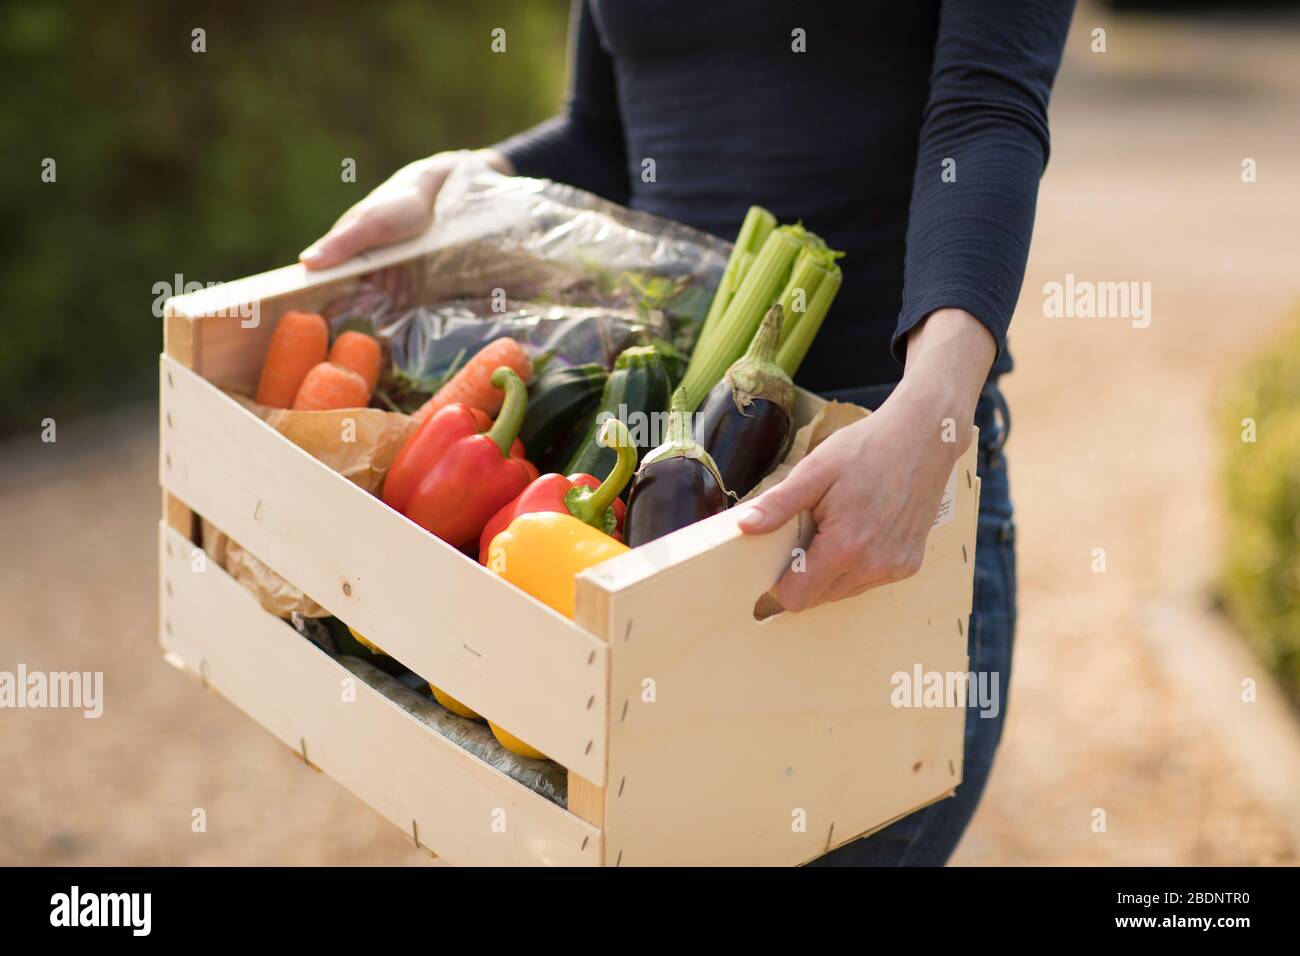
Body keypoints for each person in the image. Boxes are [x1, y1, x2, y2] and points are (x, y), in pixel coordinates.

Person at [301, 1, 1075, 865]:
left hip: (860, 477)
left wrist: (933, 411)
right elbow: (604, 133)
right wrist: (464, 177)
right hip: (657, 441)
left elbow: (987, 109)